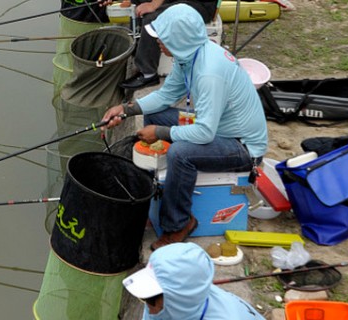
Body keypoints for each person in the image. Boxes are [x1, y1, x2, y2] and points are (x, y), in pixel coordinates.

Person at [102, 4, 268, 251]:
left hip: (241, 146)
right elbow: (166, 95)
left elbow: (204, 133)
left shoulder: (208, 73)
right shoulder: (189, 55)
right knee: (156, 113)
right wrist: (127, 109)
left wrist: (159, 133)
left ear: (178, 39)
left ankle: (178, 223)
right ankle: (163, 186)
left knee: (181, 153)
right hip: (217, 129)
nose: (158, 42)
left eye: (162, 38)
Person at [123, 242, 266, 319]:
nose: (147, 306)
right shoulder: (172, 305)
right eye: (144, 297)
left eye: (151, 299)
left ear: (180, 300)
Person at [116, 0, 218, 89]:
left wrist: (153, 5)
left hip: (200, 5)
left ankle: (148, 74)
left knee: (153, 18)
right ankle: (137, 49)